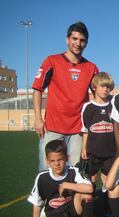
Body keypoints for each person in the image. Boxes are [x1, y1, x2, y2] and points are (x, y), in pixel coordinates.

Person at [32, 21, 98, 171]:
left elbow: (97, 96)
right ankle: (43, 195)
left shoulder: (91, 67)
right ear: (67, 39)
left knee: (73, 169)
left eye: (82, 40)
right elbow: (37, 89)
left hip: (77, 130)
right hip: (52, 127)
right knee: (46, 168)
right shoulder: (51, 61)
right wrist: (37, 118)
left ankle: (67, 195)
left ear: (86, 43)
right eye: (74, 39)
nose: (78, 43)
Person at [23, 139, 98, 217]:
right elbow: (37, 202)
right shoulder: (42, 177)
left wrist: (66, 185)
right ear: (47, 161)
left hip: (74, 208)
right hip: (55, 213)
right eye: (52, 161)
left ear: (67, 158)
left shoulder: (73, 171)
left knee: (86, 192)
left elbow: (90, 188)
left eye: (60, 159)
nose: (56, 164)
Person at [81, 72, 116, 187]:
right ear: (94, 87)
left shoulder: (113, 105)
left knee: (107, 178)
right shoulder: (88, 107)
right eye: (102, 86)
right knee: (91, 177)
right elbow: (85, 129)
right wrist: (84, 148)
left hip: (110, 151)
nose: (105, 89)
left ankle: (105, 201)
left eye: (108, 87)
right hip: (93, 150)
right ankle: (91, 201)